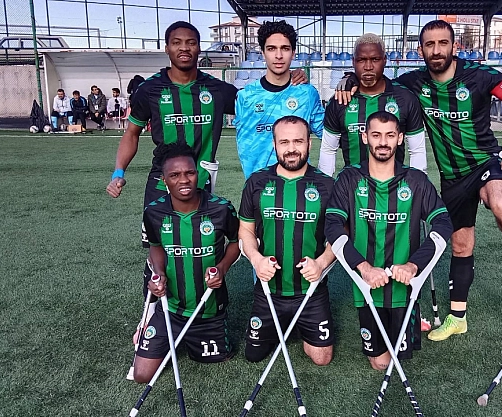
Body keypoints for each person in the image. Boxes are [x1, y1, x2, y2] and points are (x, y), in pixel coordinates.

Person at [336, 20, 502, 341]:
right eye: (429, 45)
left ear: (454, 46)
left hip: (485, 162)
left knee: (501, 204)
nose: (436, 50)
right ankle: (458, 318)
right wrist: (350, 79)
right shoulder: (413, 83)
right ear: (421, 50)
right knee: (460, 244)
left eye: (443, 43)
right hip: (452, 178)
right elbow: (377, 82)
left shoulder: (480, 76)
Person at [106, 21, 239, 342]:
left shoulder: (218, 90)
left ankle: (198, 315)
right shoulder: (149, 90)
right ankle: (151, 317)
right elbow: (132, 133)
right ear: (167, 48)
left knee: (198, 249)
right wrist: (119, 172)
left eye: (191, 42)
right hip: (160, 183)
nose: (184, 48)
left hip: (201, 183)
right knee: (159, 252)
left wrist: (291, 79)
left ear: (199, 47)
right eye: (177, 42)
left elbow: (260, 103)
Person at [324, 111, 452, 370]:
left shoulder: (416, 180)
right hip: (366, 287)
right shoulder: (349, 178)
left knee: (399, 360)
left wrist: (414, 265)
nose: (383, 142)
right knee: (380, 363)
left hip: (405, 288)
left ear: (400, 138)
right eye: (376, 135)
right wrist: (363, 268)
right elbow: (332, 226)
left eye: (390, 135)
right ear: (365, 137)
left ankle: (414, 321)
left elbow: (443, 223)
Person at [133, 141, 240, 383]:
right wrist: (158, 273)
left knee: (216, 360)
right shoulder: (153, 212)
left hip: (209, 312)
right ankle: (166, 337)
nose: (184, 180)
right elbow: (155, 246)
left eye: (190, 173)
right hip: (169, 310)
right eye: (175, 175)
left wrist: (221, 268)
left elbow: (236, 243)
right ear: (164, 179)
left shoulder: (221, 209)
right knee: (142, 375)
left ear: (197, 173)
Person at [239, 115, 336, 366]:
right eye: (284, 142)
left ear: (309, 144)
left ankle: (299, 323)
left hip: (310, 291)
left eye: (298, 141)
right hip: (269, 290)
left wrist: (321, 263)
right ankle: (281, 323)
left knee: (322, 358)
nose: (291, 149)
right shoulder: (257, 182)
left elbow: (339, 237)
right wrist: (256, 259)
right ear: (274, 144)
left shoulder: (327, 186)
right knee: (254, 355)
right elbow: (246, 230)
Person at [319, 33, 427, 176]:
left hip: (394, 186)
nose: (368, 66)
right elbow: (328, 150)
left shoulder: (405, 98)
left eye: (375, 59)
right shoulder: (340, 100)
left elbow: (417, 150)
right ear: (353, 62)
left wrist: (419, 183)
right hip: (352, 185)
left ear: (384, 60)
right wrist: (326, 185)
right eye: (361, 60)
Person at [234, 20, 324, 179]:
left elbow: (330, 135)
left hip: (299, 185)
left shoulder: (307, 94)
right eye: (271, 49)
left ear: (293, 53)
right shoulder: (246, 97)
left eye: (285, 48)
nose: (278, 55)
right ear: (263, 53)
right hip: (258, 186)